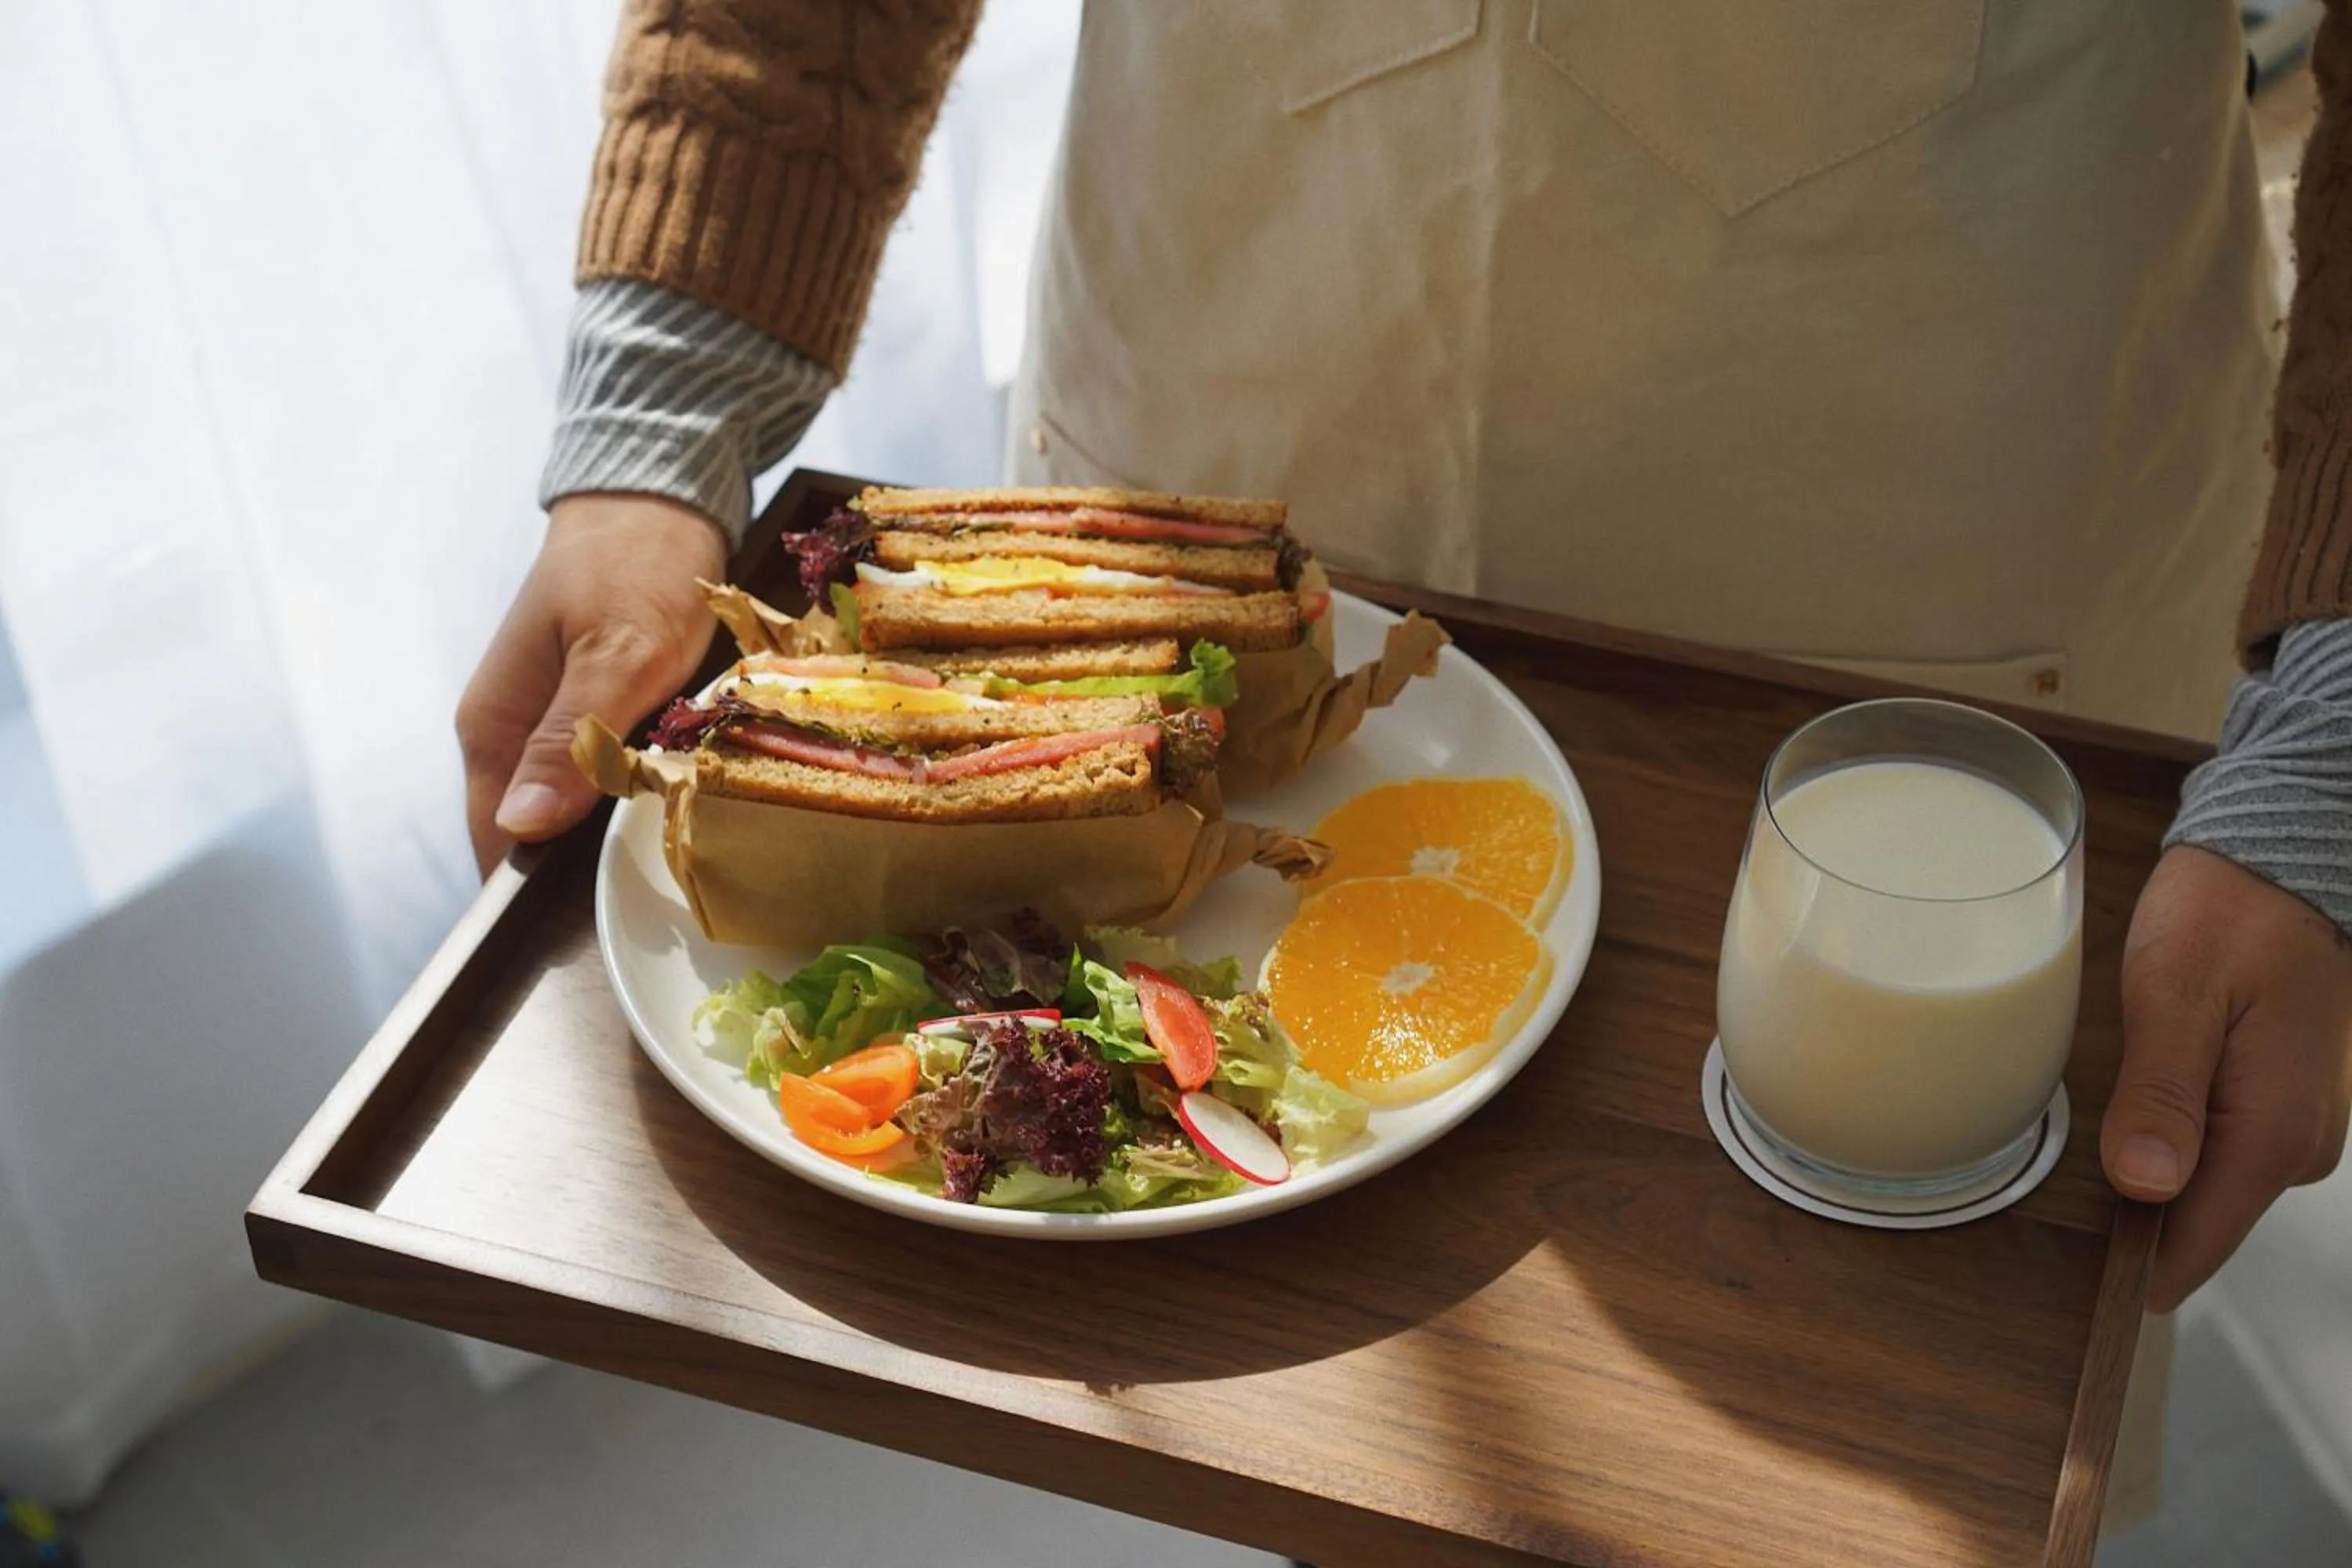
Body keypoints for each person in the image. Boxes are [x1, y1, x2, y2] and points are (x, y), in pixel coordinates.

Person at [459, 0, 2352, 1499]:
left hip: (1930, 535)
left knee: (1874, 1439)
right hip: (1200, 408)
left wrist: (2337, 710)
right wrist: (666, 405)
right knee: (1289, 1423)